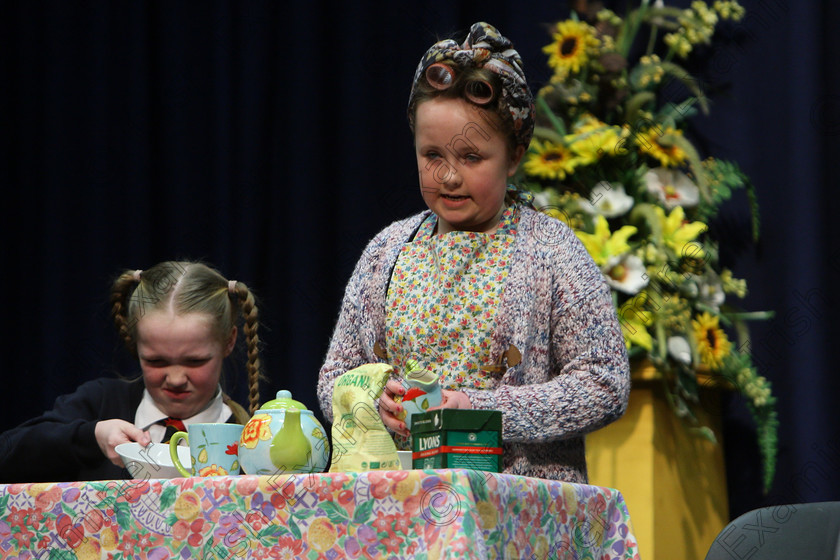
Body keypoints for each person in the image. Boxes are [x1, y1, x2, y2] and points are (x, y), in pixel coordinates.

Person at [317, 22, 631, 482]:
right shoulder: (386, 252)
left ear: (515, 154)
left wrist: (483, 409)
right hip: (402, 508)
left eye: (471, 158)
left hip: (516, 514)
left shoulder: (552, 252)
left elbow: (605, 383)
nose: (448, 176)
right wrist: (369, 399)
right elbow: (335, 377)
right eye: (432, 156)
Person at [0, 261, 262, 482]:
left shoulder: (251, 438)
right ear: (135, 345)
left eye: (195, 361)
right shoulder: (101, 403)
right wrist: (92, 437)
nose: (175, 379)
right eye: (156, 361)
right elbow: (7, 454)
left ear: (229, 341)